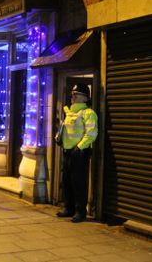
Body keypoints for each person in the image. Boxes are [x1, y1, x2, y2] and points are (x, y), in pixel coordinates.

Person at [56, 83, 98, 223]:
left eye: (76, 94)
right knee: (67, 181)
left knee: (79, 182)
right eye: (72, 94)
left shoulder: (88, 113)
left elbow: (91, 133)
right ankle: (69, 208)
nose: (72, 96)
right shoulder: (69, 113)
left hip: (80, 153)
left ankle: (81, 211)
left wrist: (79, 148)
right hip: (67, 152)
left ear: (85, 98)